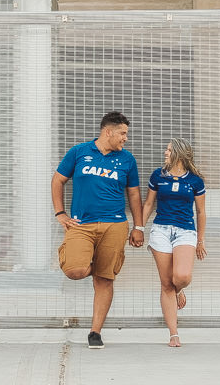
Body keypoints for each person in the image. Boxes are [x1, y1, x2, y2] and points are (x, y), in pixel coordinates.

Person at [51, 111, 144, 349]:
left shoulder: (127, 160)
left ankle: (95, 332)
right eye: (122, 133)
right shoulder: (79, 152)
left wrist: (138, 226)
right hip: (81, 224)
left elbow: (133, 194)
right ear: (108, 132)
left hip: (115, 225)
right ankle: (87, 260)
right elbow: (58, 180)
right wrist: (60, 213)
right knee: (75, 269)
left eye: (127, 134)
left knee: (104, 279)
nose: (125, 138)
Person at [141, 137, 206, 347]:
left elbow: (201, 211)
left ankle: (180, 290)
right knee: (166, 283)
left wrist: (200, 240)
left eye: (169, 150)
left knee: (182, 276)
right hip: (161, 230)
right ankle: (173, 333)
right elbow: (149, 203)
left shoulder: (195, 180)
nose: (165, 153)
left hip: (185, 230)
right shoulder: (158, 176)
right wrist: (139, 228)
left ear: (179, 153)